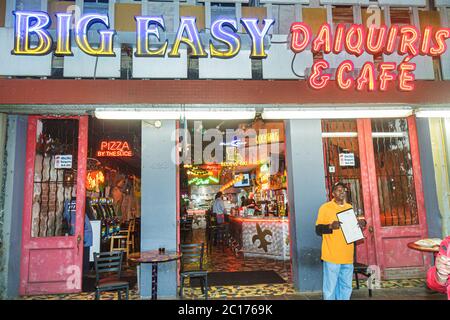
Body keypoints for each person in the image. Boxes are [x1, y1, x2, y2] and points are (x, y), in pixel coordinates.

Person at [315, 182, 367, 300]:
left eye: (343, 190)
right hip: (332, 255)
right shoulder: (325, 208)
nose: (342, 192)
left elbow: (352, 228)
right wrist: (330, 226)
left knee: (346, 286)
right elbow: (318, 229)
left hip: (347, 255)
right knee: (330, 287)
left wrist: (361, 224)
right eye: (338, 190)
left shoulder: (349, 207)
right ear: (332, 193)